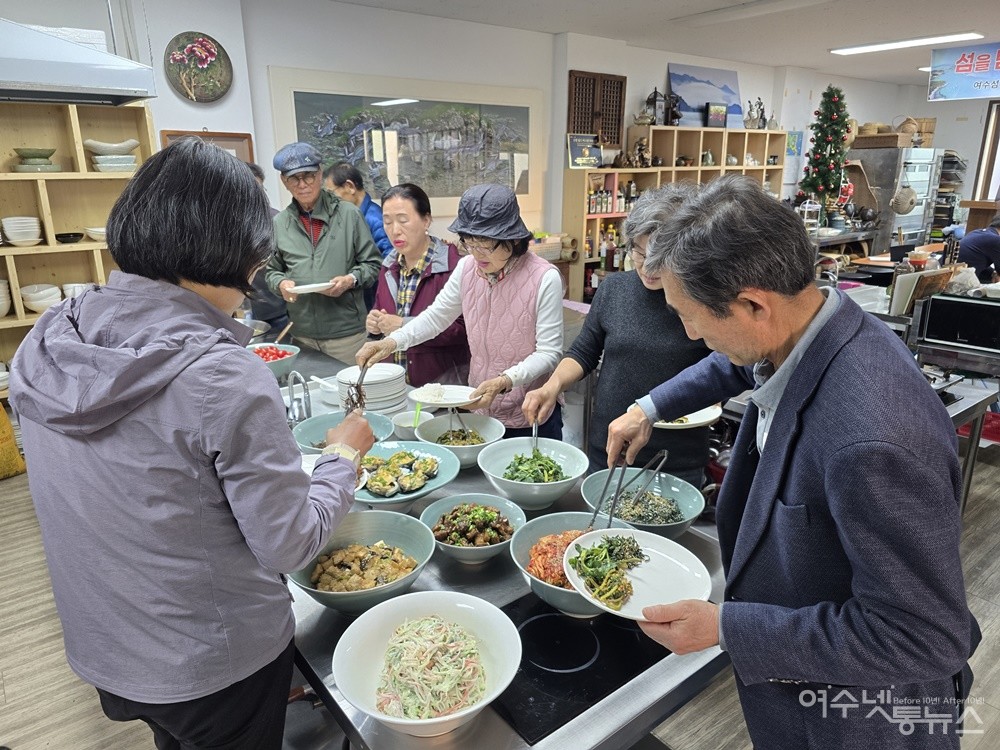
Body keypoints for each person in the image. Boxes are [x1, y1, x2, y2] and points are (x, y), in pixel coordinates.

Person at [8, 138, 376, 749]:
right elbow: (288, 542)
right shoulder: (224, 376)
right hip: (211, 661)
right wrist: (342, 457)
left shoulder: (49, 338)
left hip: (106, 642)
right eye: (255, 267)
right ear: (227, 256)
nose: (251, 284)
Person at [606, 174, 979, 749]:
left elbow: (922, 635)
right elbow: (732, 361)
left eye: (690, 318)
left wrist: (728, 627)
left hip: (856, 721)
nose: (691, 334)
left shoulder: (871, 438)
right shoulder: (808, 323)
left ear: (753, 303)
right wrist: (649, 407)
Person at [522, 184, 712, 482]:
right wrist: (552, 385)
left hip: (673, 459)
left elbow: (722, 371)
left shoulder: (703, 300)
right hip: (608, 448)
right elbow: (585, 351)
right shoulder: (615, 289)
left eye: (660, 256)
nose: (648, 267)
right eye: (639, 251)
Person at [356, 183, 563, 438]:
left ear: (514, 238)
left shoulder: (544, 278)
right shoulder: (467, 268)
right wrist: (391, 342)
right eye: (469, 242)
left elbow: (549, 352)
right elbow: (435, 318)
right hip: (479, 409)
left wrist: (505, 380)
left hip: (531, 413)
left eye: (486, 244)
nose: (476, 253)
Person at [266, 142, 381, 363]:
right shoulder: (279, 223)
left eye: (308, 176)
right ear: (284, 181)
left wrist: (350, 279)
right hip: (302, 335)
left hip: (347, 335)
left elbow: (373, 264)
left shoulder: (349, 215)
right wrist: (280, 285)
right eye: (294, 179)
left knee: (354, 395)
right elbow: (272, 271)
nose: (302, 185)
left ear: (320, 174)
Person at [366, 183, 470, 387]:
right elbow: (382, 310)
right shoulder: (388, 267)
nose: (395, 230)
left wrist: (402, 324)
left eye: (403, 220)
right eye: (387, 222)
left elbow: (463, 329)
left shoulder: (454, 266)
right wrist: (375, 325)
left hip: (441, 385)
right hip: (398, 384)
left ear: (426, 220)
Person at [325, 162, 394, 310]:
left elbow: (389, 265)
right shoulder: (351, 215)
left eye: (331, 193)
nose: (330, 201)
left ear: (350, 187)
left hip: (375, 300)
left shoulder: (375, 219)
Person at [245, 161, 288, 332]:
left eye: (259, 190)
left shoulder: (276, 220)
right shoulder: (225, 222)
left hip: (276, 310)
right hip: (240, 310)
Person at [958, 212, 1000, 283]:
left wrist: (995, 273)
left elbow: (976, 261)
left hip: (953, 272)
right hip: (959, 280)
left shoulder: (976, 232)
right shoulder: (996, 240)